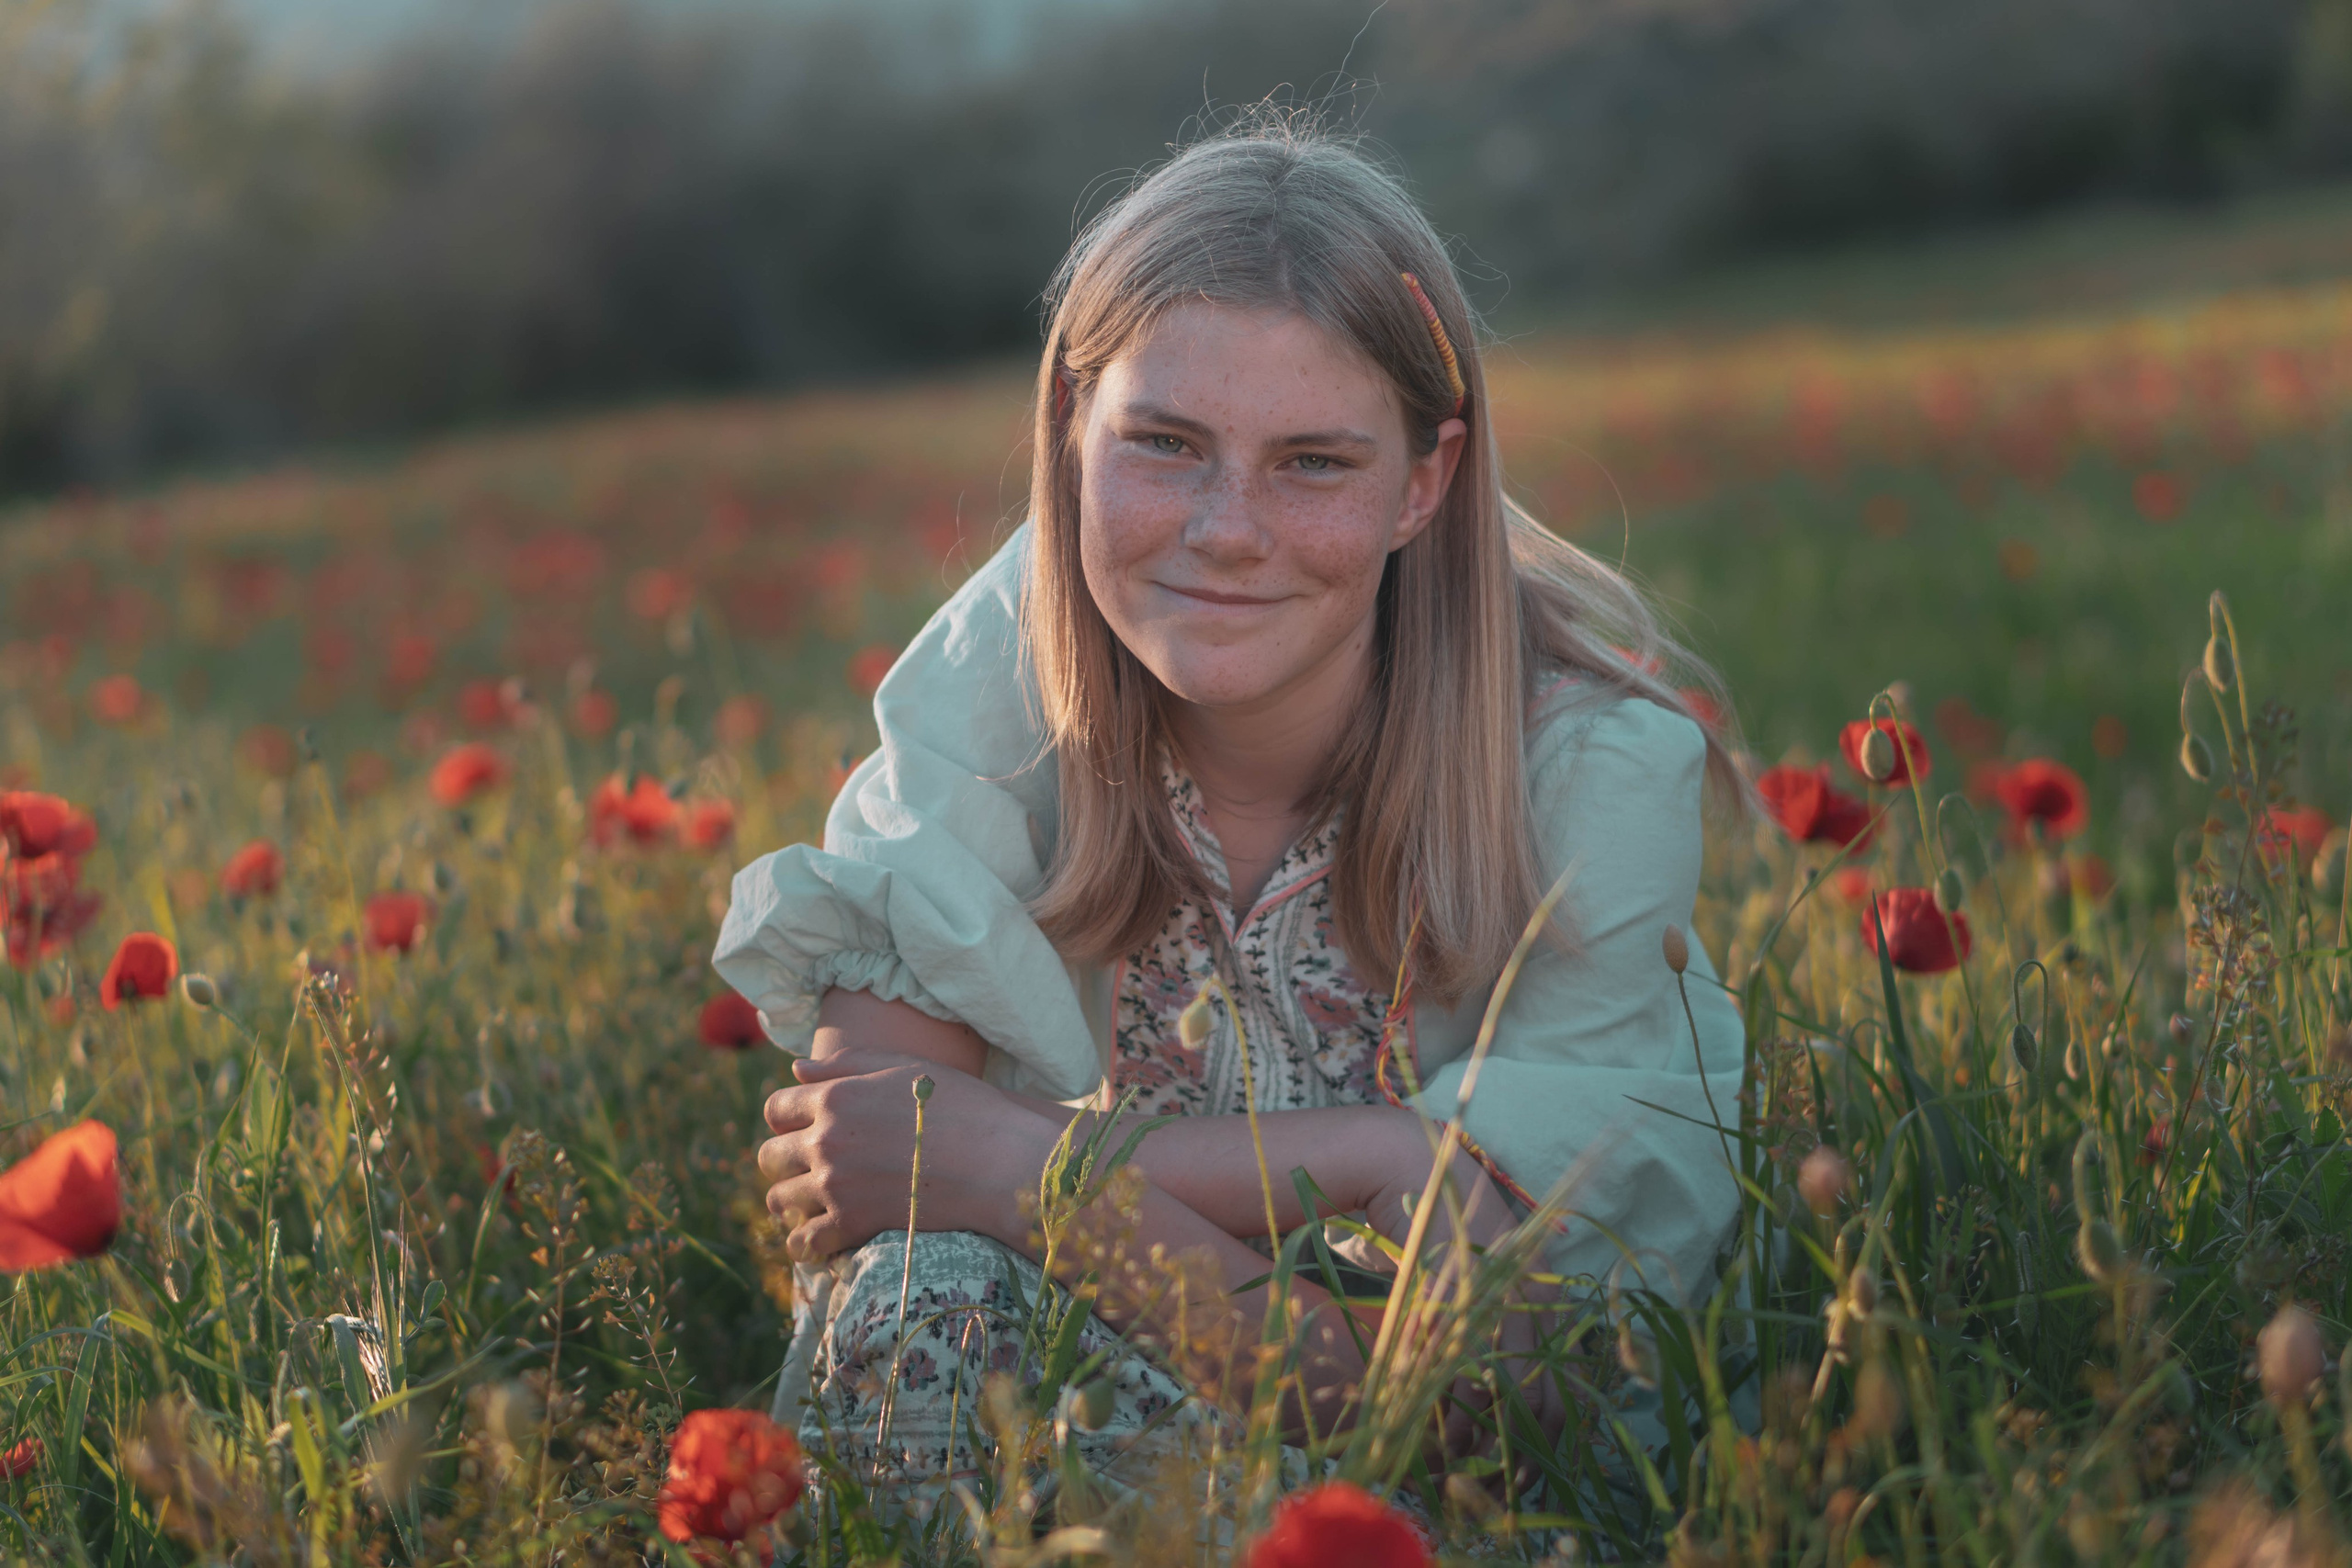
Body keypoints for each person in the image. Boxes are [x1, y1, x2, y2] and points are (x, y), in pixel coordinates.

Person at [713, 118, 1746, 1495]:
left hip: (1432, 1494)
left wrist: (1036, 1178)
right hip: (1047, 1417)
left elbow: (1505, 1388)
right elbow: (872, 1167)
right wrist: (1375, 1157)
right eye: (1167, 444)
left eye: (1313, 462)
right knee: (927, 1289)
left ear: (1422, 485)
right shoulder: (993, 692)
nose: (1227, 529)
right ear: (1073, 424)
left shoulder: (1579, 778)